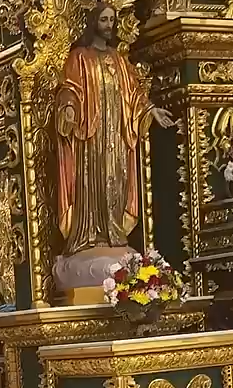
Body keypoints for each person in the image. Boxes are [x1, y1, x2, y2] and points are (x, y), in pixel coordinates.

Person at [56, 3, 174, 256]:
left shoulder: (119, 60)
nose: (109, 25)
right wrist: (68, 107)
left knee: (117, 181)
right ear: (93, 23)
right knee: (91, 182)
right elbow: (69, 88)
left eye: (112, 20)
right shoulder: (79, 57)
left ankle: (114, 232)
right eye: (104, 20)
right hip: (91, 137)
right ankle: (90, 234)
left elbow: (134, 94)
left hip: (117, 136)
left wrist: (151, 110)